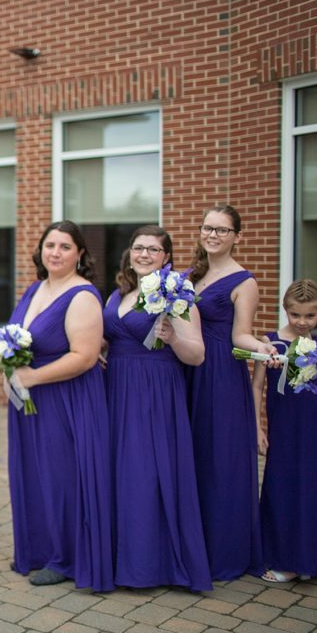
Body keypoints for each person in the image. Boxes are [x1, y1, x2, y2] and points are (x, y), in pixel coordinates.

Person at [5, 220, 113, 592]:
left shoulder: (82, 295)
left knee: (61, 477)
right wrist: (11, 370)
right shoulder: (35, 289)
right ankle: (39, 548)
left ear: (80, 254)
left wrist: (31, 378)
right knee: (34, 472)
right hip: (29, 399)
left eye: (65, 246)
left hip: (65, 399)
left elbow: (84, 357)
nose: (55, 252)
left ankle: (65, 557)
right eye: (50, 245)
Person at [101, 225, 211, 591]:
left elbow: (196, 355)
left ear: (166, 257)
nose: (144, 254)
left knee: (147, 474)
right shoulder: (120, 293)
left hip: (155, 393)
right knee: (120, 473)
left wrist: (174, 337)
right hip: (117, 389)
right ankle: (121, 559)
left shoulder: (176, 294)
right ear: (129, 253)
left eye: (153, 249)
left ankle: (152, 564)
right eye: (138, 248)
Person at [185, 204, 276, 581]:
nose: (213, 235)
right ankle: (195, 545)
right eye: (208, 228)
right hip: (188, 372)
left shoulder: (245, 282)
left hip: (221, 375)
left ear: (238, 236)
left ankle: (226, 552)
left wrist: (263, 347)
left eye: (222, 230)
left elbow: (241, 334)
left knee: (221, 461)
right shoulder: (192, 275)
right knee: (193, 458)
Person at [253, 279, 317, 583]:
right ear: (286, 310)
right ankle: (286, 558)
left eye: (309, 316)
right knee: (282, 488)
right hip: (283, 429)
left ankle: (311, 560)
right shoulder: (270, 344)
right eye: (295, 315)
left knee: (312, 489)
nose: (302, 322)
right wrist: (257, 427)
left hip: (315, 425)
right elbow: (256, 387)